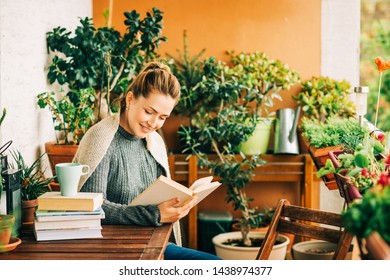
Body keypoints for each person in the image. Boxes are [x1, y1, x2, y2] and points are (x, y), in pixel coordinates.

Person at [73, 61, 221, 260]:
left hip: (155, 244)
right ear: (130, 99)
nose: (153, 123)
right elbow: (91, 207)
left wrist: (177, 204)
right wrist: (154, 215)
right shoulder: (101, 137)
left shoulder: (154, 142)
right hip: (116, 248)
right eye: (149, 112)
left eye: (162, 117)